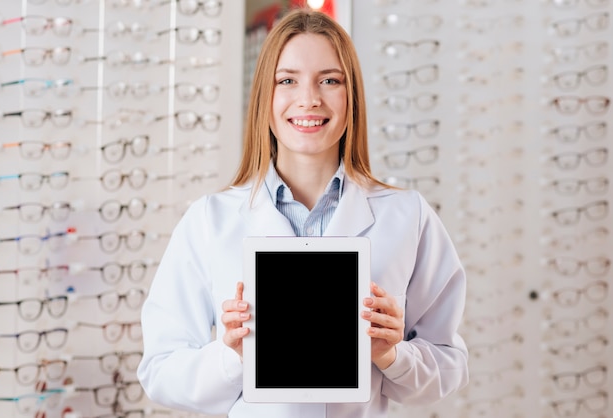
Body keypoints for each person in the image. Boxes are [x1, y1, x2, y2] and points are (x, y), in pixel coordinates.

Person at [137, 7, 468, 418]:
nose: (308, 99)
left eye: (329, 80)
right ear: (265, 96)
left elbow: (449, 365)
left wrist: (392, 355)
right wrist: (234, 355)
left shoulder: (407, 217)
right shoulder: (210, 220)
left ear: (352, 98)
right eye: (287, 80)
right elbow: (160, 371)